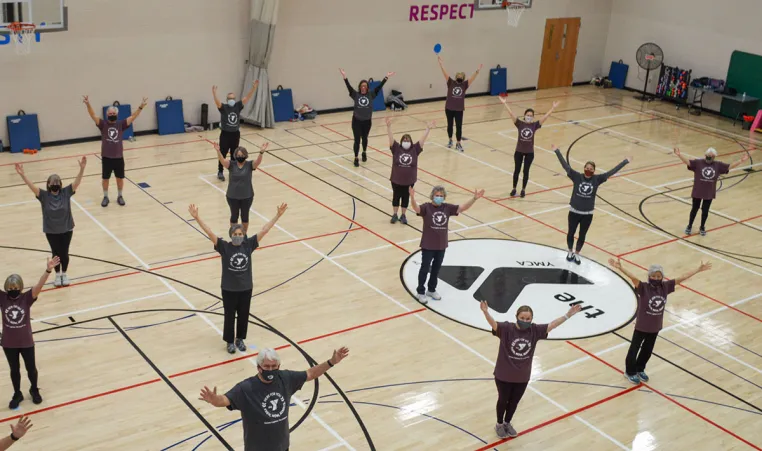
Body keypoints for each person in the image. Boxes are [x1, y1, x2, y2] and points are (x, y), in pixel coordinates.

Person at [199, 346, 349, 451]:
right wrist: (214, 400)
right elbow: (225, 400)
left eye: (273, 366)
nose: (270, 370)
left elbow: (310, 374)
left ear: (278, 366)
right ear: (259, 367)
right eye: (266, 366)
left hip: (281, 446)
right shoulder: (246, 388)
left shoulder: (286, 378)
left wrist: (331, 362)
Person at [189, 203, 287, 353]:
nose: (238, 237)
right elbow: (209, 232)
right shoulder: (224, 247)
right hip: (228, 289)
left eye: (240, 234)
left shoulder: (248, 245)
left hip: (246, 288)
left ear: (244, 236)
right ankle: (229, 341)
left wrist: (278, 216)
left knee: (243, 315)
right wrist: (197, 218)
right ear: (231, 235)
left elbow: (264, 230)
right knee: (229, 316)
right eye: (235, 234)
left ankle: (240, 339)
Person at [480, 301, 582, 438]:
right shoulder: (506, 328)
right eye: (522, 318)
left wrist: (568, 315)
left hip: (522, 376)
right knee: (503, 399)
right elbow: (493, 324)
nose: (525, 321)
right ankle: (499, 424)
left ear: (532, 319)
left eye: (528, 319)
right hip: (503, 374)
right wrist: (486, 312)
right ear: (516, 316)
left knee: (514, 401)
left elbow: (552, 325)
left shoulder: (534, 330)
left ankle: (507, 423)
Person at [609, 258, 712, 384]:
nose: (656, 278)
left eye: (658, 276)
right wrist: (620, 268)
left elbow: (682, 277)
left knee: (647, 350)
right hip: (642, 326)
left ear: (662, 277)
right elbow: (633, 277)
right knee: (634, 349)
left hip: (655, 327)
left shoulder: (665, 287)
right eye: (653, 276)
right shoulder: (643, 287)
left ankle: (640, 369)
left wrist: (698, 270)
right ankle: (629, 372)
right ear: (649, 276)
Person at [552, 144, 631, 264]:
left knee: (582, 235)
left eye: (591, 169)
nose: (588, 170)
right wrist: (557, 151)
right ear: (583, 168)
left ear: (594, 171)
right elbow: (565, 166)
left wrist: (625, 161)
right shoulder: (577, 176)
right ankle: (570, 251)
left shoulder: (597, 179)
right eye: (587, 168)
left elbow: (612, 172)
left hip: (587, 214)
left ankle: (577, 253)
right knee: (571, 233)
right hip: (574, 211)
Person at [15, 158, 86, 288]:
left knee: (65, 252)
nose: (55, 183)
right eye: (52, 182)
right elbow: (31, 186)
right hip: (51, 231)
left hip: (66, 229)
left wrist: (82, 168)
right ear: (48, 184)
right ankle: (57, 275)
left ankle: (64, 274)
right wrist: (23, 175)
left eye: (57, 181)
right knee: (56, 252)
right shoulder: (44, 195)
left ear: (60, 183)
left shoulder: (66, 192)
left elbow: (77, 182)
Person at [409, 185, 484, 304]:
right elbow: (416, 209)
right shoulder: (426, 207)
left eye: (441, 196)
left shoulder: (447, 207)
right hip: (428, 245)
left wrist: (474, 199)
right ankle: (421, 291)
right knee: (424, 268)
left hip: (441, 245)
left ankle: (431, 289)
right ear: (432, 196)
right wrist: (412, 197)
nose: (439, 198)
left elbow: (462, 208)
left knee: (436, 269)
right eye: (437, 195)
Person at [2, 257, 59, 409]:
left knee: (31, 368)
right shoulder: (2, 298)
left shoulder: (26, 298)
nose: (12, 290)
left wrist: (48, 270)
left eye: (15, 288)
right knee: (14, 370)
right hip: (8, 343)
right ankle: (17, 393)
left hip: (26, 341)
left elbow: (39, 286)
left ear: (20, 288)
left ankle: (34, 389)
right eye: (10, 288)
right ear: (6, 288)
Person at [82, 95, 148, 207]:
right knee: (105, 178)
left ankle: (120, 196)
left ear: (117, 114)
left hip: (118, 157)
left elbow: (133, 117)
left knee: (119, 178)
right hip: (106, 157)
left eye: (114, 113)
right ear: (107, 114)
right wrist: (88, 103)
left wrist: (141, 106)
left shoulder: (121, 124)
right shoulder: (103, 124)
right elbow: (92, 115)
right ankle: (105, 196)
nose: (112, 115)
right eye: (110, 113)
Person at [673, 147, 751, 236]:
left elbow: (729, 166)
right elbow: (688, 162)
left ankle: (702, 227)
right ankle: (689, 226)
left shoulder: (718, 165)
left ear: (714, 157)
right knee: (694, 209)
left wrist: (741, 161)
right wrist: (679, 155)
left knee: (705, 211)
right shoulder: (698, 163)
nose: (709, 158)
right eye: (708, 156)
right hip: (698, 191)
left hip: (709, 192)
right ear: (705, 155)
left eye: (711, 157)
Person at [499, 96, 560, 197]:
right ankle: (514, 188)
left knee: (525, 171)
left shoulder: (534, 125)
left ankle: (523, 189)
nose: (529, 117)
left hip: (529, 153)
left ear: (533, 117)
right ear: (524, 115)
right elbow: (511, 114)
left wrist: (552, 108)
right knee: (517, 170)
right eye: (527, 115)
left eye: (531, 115)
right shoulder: (520, 124)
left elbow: (545, 117)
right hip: (519, 151)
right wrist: (505, 103)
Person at [339, 68, 395, 167]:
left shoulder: (371, 95)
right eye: (362, 86)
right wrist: (344, 76)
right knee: (357, 140)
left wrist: (387, 77)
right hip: (356, 121)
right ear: (360, 87)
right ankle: (356, 158)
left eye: (365, 86)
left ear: (367, 87)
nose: (363, 87)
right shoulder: (355, 95)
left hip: (367, 122)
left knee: (365, 138)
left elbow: (379, 87)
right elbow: (348, 87)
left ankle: (364, 152)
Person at [385, 117, 434, 225]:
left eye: (408, 140)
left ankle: (403, 215)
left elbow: (422, 140)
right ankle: (394, 214)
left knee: (406, 198)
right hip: (396, 180)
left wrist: (428, 129)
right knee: (396, 196)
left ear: (411, 142)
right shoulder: (397, 148)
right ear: (401, 141)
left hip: (409, 181)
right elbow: (391, 139)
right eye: (404, 140)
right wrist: (388, 127)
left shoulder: (415, 149)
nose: (406, 142)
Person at [215, 143, 267, 234]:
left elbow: (257, 162)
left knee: (245, 216)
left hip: (247, 196)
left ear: (245, 155)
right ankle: (235, 235)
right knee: (234, 216)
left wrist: (261, 152)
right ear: (235, 156)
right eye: (238, 155)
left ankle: (244, 235)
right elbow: (222, 161)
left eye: (242, 155)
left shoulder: (249, 165)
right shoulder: (231, 164)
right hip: (232, 196)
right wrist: (218, 151)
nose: (240, 157)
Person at [212, 81, 260, 181]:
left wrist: (253, 88)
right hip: (225, 134)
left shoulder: (237, 106)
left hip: (235, 134)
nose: (231, 100)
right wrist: (214, 93)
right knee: (223, 153)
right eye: (230, 98)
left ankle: (233, 171)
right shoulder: (224, 108)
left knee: (235, 154)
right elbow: (217, 103)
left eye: (233, 98)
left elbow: (247, 98)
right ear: (227, 100)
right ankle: (220, 171)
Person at [436, 56, 482, 152]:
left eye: (461, 76)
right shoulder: (451, 82)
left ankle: (458, 143)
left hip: (459, 110)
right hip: (449, 108)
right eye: (458, 76)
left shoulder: (464, 85)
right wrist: (440, 64)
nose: (460, 77)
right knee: (449, 125)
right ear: (456, 77)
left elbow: (472, 79)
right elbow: (444, 73)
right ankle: (450, 140)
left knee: (459, 126)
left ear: (463, 78)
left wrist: (477, 71)